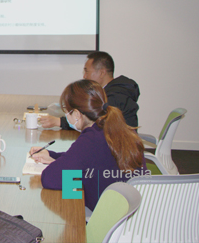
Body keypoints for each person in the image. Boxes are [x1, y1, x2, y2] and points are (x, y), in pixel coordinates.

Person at [29, 79, 147, 211]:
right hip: (130, 211)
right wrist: (53, 156)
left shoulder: (91, 139)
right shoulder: (117, 127)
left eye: (67, 112)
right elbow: (84, 159)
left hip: (103, 215)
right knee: (71, 188)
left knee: (65, 203)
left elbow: (50, 178)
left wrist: (59, 165)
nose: (66, 117)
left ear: (77, 114)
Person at [40, 51, 140, 129]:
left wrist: (59, 122)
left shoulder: (115, 97)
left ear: (102, 73)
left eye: (87, 72)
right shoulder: (107, 92)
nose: (84, 76)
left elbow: (93, 122)